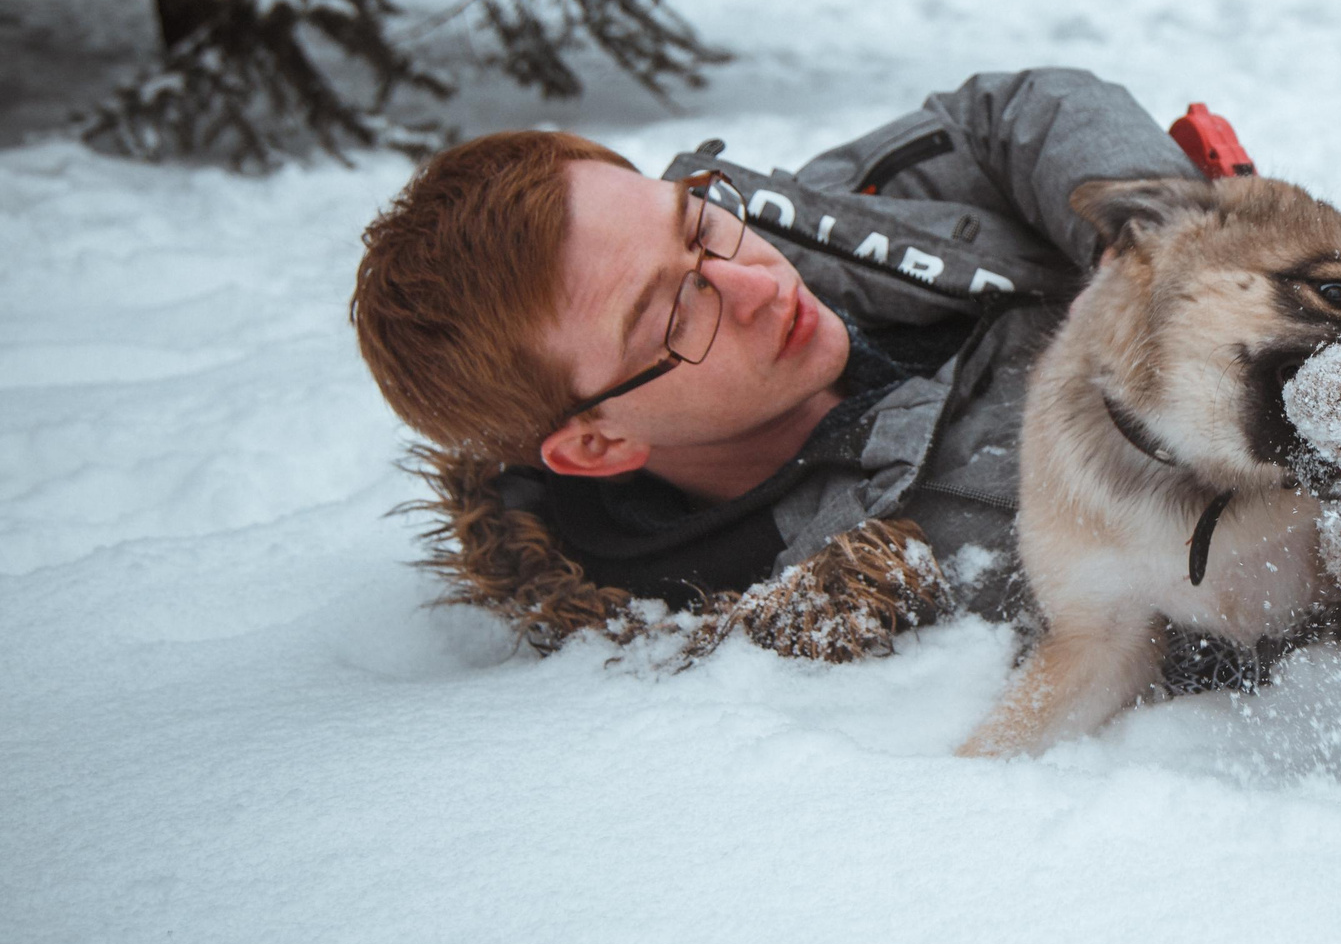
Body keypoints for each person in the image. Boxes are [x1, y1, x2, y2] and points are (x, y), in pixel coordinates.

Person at [350, 68, 1252, 671]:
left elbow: (1002, 114)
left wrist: (1154, 246)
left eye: (695, 224)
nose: (756, 282)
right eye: (675, 312)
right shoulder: (877, 580)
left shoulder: (810, 221)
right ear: (597, 444)